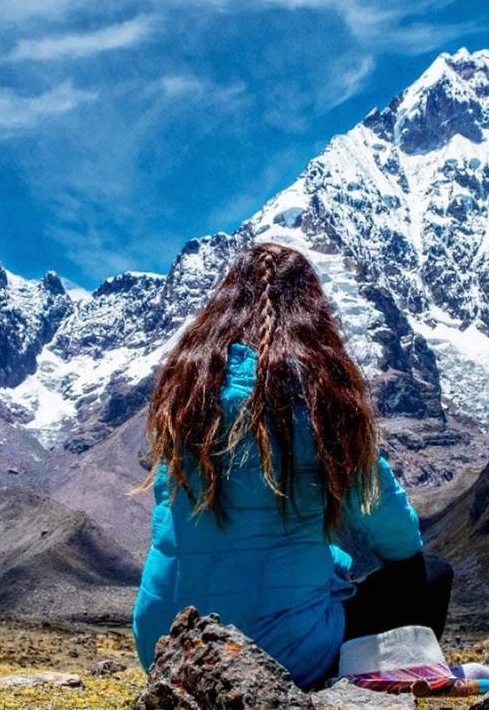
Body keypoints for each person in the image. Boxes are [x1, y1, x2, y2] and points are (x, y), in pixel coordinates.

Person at [131, 242, 453, 689]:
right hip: (282, 658)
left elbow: (191, 528)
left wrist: (327, 562)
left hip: (168, 649)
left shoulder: (187, 392)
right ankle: (373, 684)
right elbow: (395, 534)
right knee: (429, 574)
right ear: (312, 309)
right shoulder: (323, 397)